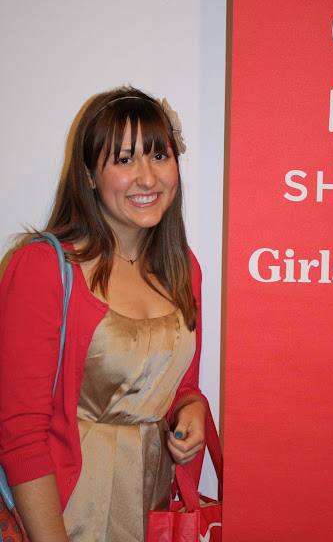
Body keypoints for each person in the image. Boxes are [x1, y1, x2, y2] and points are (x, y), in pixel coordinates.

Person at [0, 87, 207, 542]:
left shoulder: (182, 267)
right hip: (67, 516)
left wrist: (191, 409)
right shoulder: (42, 267)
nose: (147, 178)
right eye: (124, 160)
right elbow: (20, 435)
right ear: (90, 176)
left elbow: (180, 388)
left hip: (151, 513)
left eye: (159, 156)